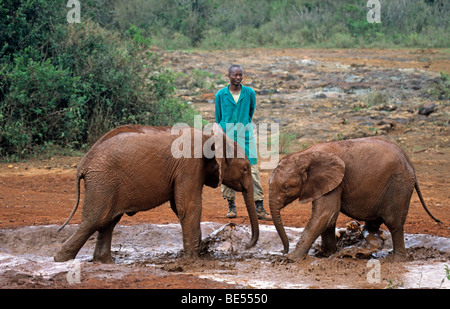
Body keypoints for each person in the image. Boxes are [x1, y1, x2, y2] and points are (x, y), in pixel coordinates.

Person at [214, 64, 271, 221]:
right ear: (229, 76)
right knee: (226, 169)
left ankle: (259, 206)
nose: (238, 78)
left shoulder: (249, 93)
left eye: (240, 75)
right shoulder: (220, 95)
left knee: (251, 169)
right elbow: (218, 118)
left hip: (245, 136)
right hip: (227, 137)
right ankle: (231, 205)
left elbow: (250, 112)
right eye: (235, 75)